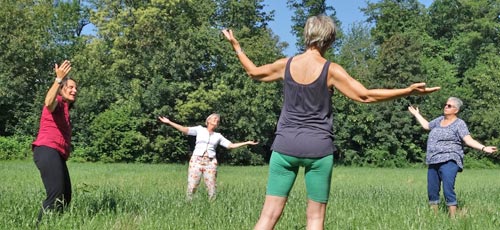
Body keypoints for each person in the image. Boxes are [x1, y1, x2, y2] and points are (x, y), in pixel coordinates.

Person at [223, 14, 440, 230]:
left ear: (307, 35)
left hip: (285, 146)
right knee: (315, 219)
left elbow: (253, 72)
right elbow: (365, 96)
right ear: (330, 39)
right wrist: (407, 91)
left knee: (268, 217)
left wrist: (237, 46)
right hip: (318, 149)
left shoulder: (285, 64)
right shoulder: (331, 70)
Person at [408, 97, 497, 217]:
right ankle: (434, 217)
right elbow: (427, 126)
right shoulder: (439, 120)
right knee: (432, 190)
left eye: (449, 106)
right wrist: (416, 114)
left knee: (447, 188)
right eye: (446, 104)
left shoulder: (459, 124)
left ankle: (453, 218)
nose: (446, 107)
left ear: (456, 110)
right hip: (433, 159)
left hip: (450, 159)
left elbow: (468, 140)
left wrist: (483, 148)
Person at [158, 114, 258, 200]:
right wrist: (169, 122)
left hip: (210, 163)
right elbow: (185, 129)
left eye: (218, 120)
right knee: (192, 186)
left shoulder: (218, 136)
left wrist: (247, 142)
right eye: (214, 119)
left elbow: (230, 145)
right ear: (208, 120)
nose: (216, 120)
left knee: (211, 187)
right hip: (196, 161)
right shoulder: (199, 129)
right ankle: (188, 204)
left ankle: (212, 206)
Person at [32, 60, 77, 224]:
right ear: (61, 88)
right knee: (56, 193)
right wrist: (58, 79)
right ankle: (38, 225)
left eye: (75, 88)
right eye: (71, 87)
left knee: (65, 197)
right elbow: (48, 102)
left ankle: (54, 224)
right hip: (46, 150)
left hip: (57, 154)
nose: (74, 90)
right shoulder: (56, 102)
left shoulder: (65, 109)